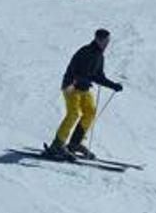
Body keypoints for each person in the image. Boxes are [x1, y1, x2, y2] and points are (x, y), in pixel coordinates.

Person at [44, 29, 123, 161]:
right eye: (105, 40)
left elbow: (99, 76)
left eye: (108, 41)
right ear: (98, 39)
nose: (107, 43)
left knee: (90, 112)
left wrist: (113, 85)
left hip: (83, 88)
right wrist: (84, 79)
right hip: (71, 86)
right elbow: (77, 71)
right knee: (73, 113)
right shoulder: (85, 51)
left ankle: (75, 143)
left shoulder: (99, 56)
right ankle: (57, 145)